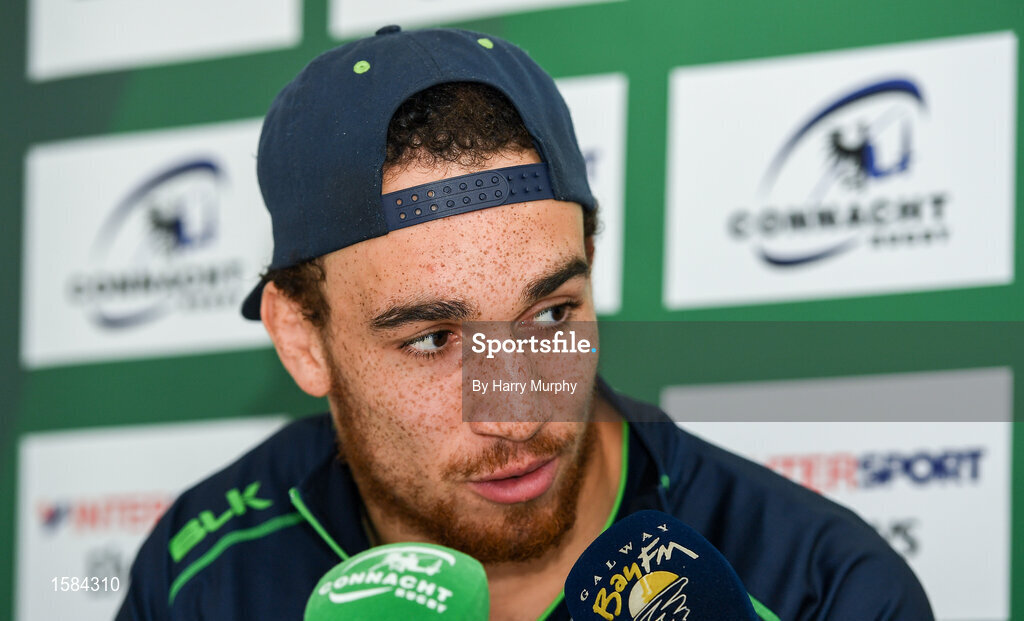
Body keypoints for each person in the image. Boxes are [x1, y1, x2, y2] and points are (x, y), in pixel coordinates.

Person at [115, 26, 933, 621]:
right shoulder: (205, 572)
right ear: (302, 340)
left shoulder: (824, 587)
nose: (519, 408)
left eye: (550, 314)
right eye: (433, 340)